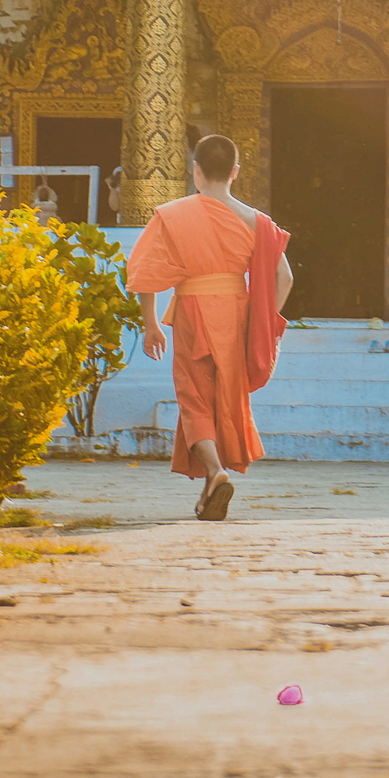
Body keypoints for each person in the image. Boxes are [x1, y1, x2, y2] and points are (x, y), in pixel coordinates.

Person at [126, 133, 292, 522]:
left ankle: (215, 473)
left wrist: (151, 324)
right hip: (236, 314)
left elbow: (145, 273)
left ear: (195, 171)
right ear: (235, 172)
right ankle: (210, 488)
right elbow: (283, 278)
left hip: (192, 312)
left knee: (194, 399)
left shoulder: (174, 214)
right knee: (222, 399)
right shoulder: (258, 222)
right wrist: (261, 322)